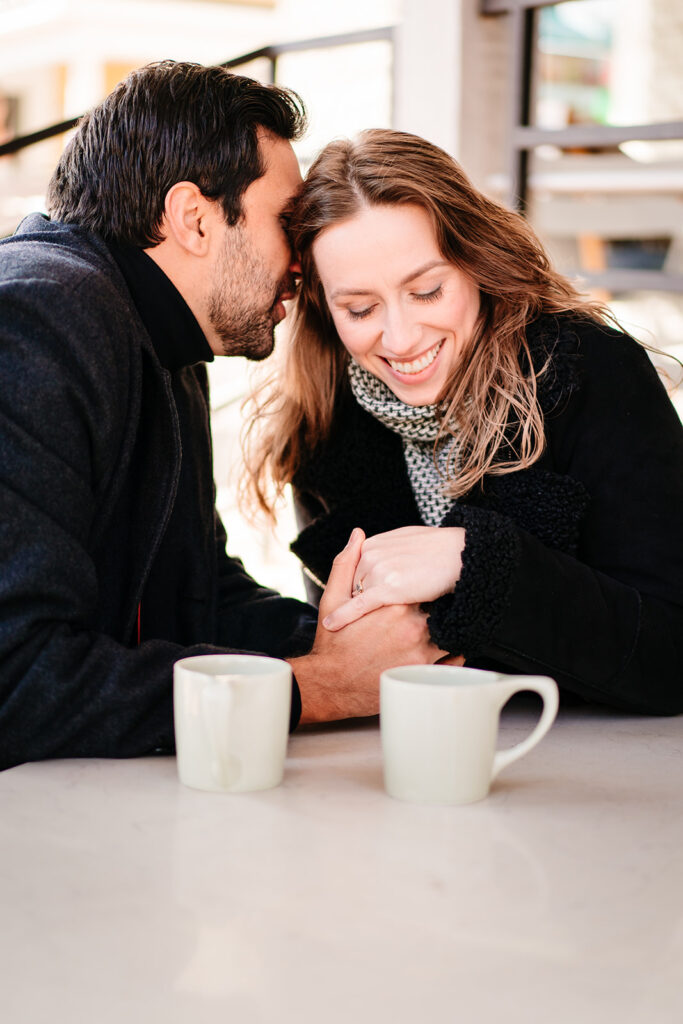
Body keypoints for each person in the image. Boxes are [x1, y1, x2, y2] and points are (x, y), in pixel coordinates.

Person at [0, 69, 444, 772]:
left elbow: (199, 593)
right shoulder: (37, 318)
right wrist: (322, 685)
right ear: (195, 218)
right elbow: (17, 680)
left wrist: (362, 642)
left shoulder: (159, 340)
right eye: (285, 224)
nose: (303, 265)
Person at [245, 128, 683, 715]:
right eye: (360, 308)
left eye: (426, 291)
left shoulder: (592, 374)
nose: (399, 339)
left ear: (474, 261)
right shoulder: (324, 429)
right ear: (325, 306)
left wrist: (473, 559)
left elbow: (669, 651)